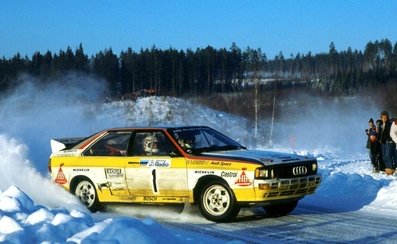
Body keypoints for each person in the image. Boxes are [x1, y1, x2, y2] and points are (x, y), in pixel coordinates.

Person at [378, 111, 396, 175]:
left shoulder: (390, 123)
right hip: (383, 143)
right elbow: (380, 133)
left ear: (387, 117)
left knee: (388, 156)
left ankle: (391, 169)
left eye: (385, 117)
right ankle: (388, 169)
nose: (384, 119)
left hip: (389, 142)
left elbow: (389, 133)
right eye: (382, 117)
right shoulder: (381, 124)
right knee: (384, 157)